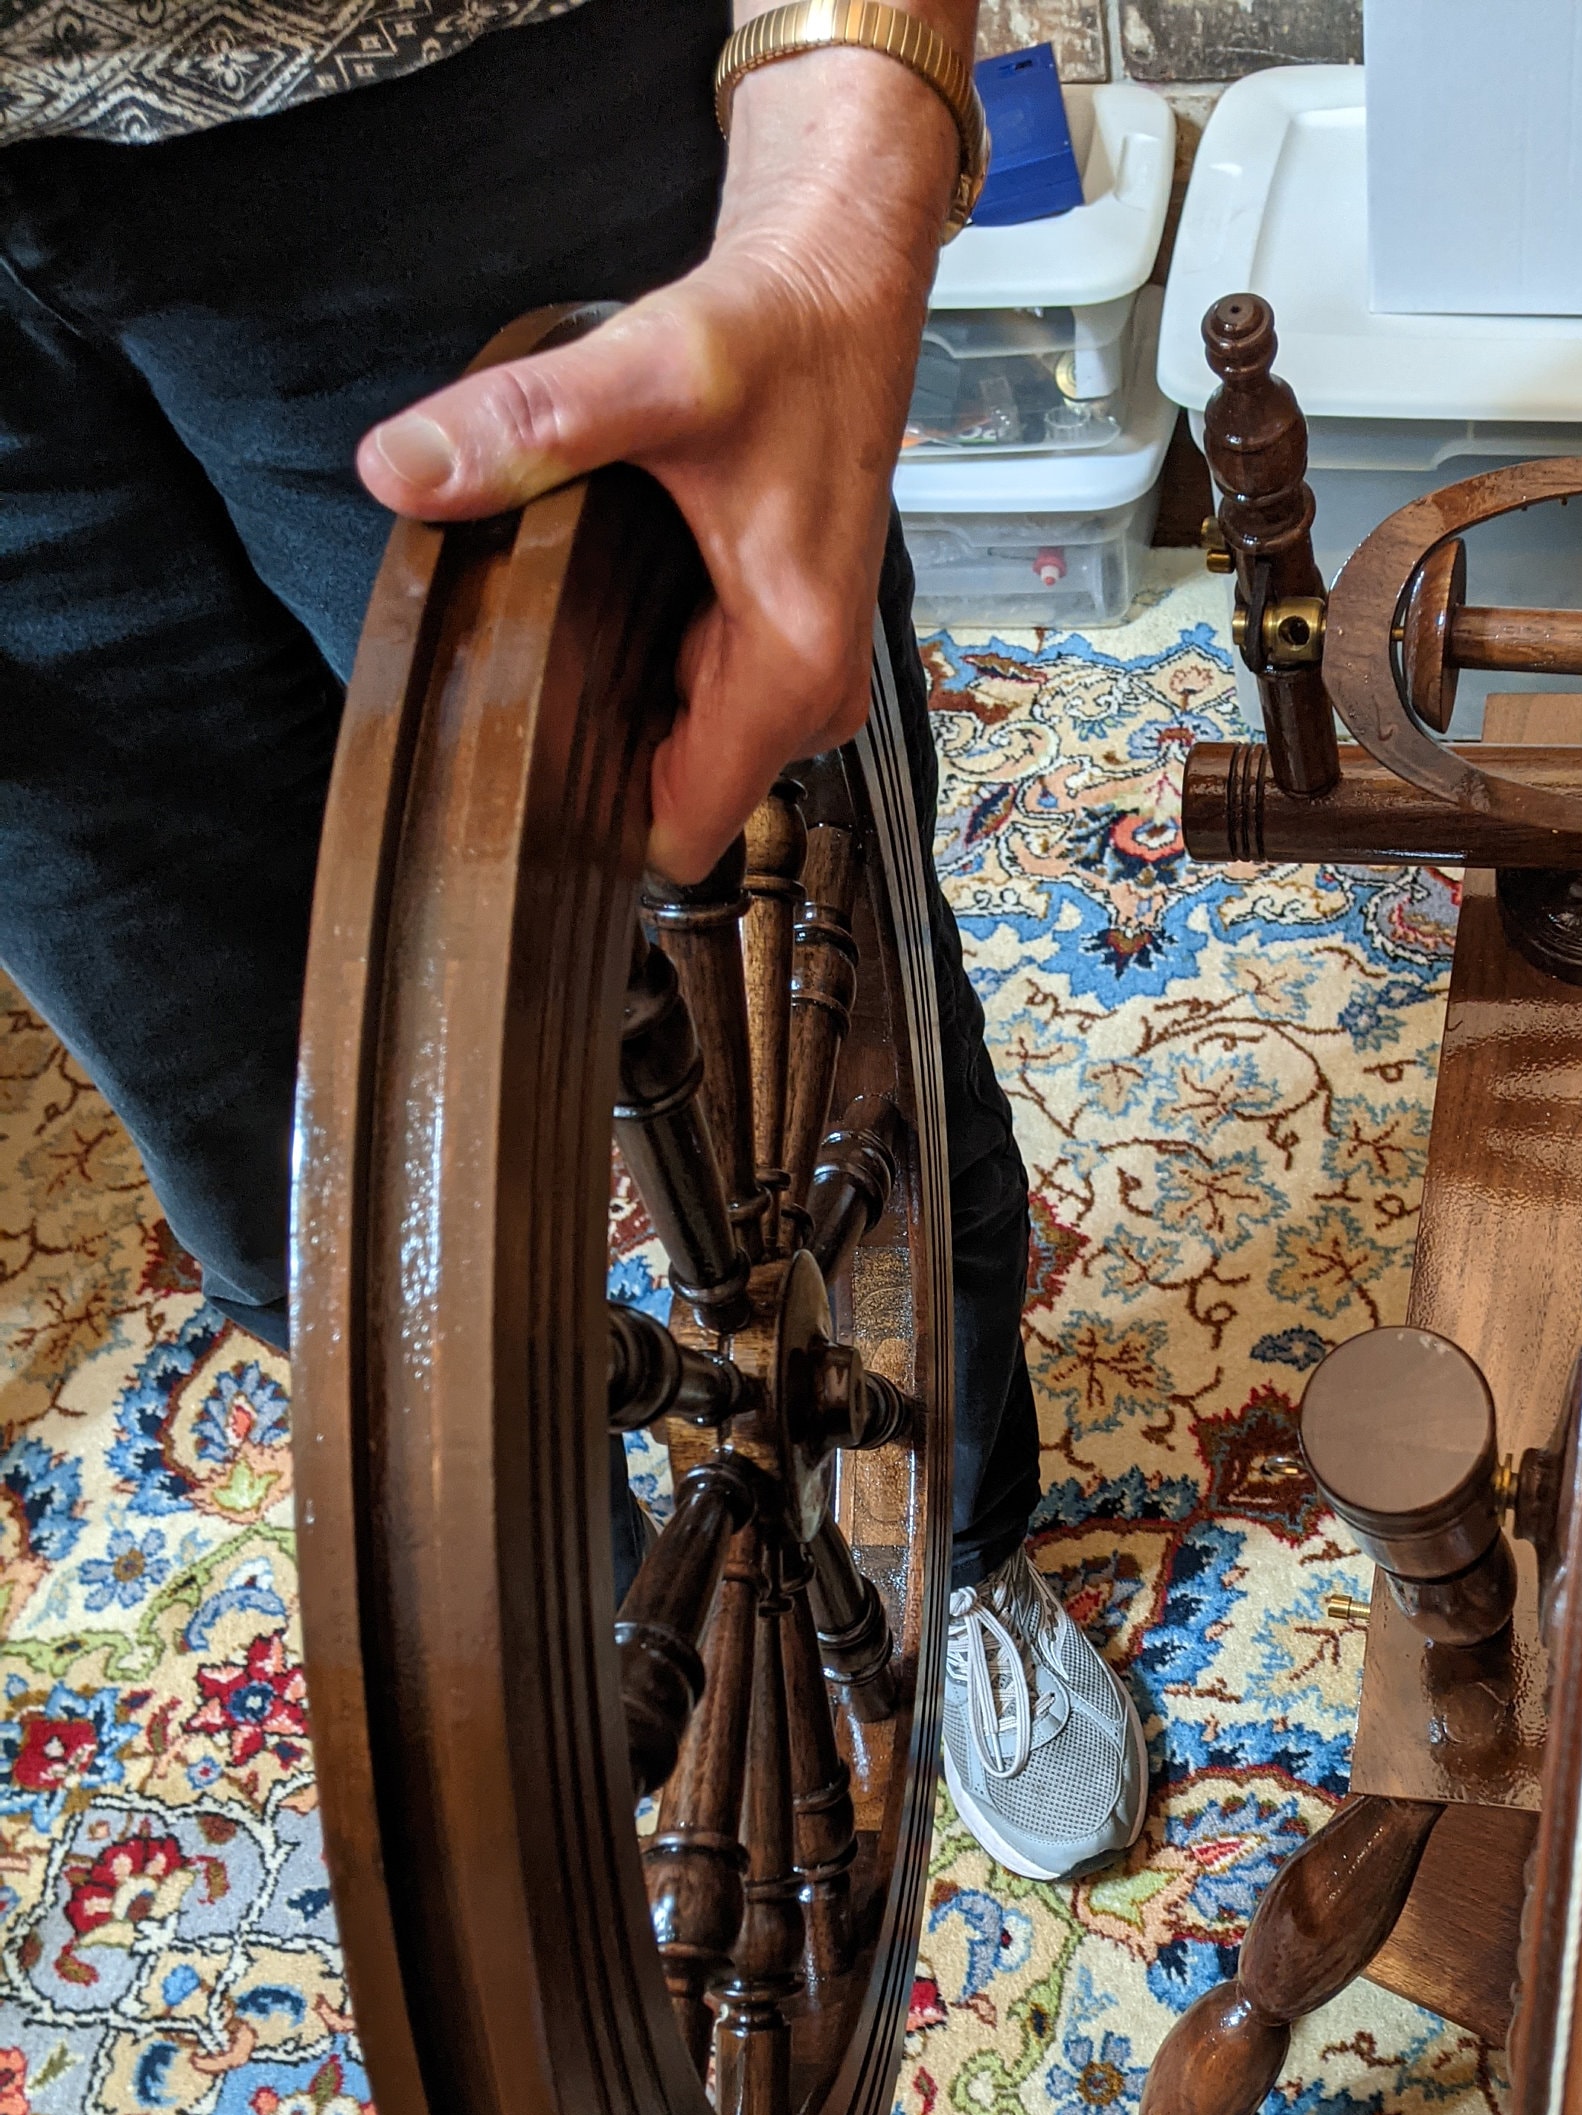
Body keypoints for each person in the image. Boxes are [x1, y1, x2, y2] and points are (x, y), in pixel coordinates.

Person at [0, 0, 1147, 1882]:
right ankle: (616, 1660)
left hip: (436, 105)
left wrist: (848, 152)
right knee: (289, 1157)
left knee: (792, 996)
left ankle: (945, 1549)